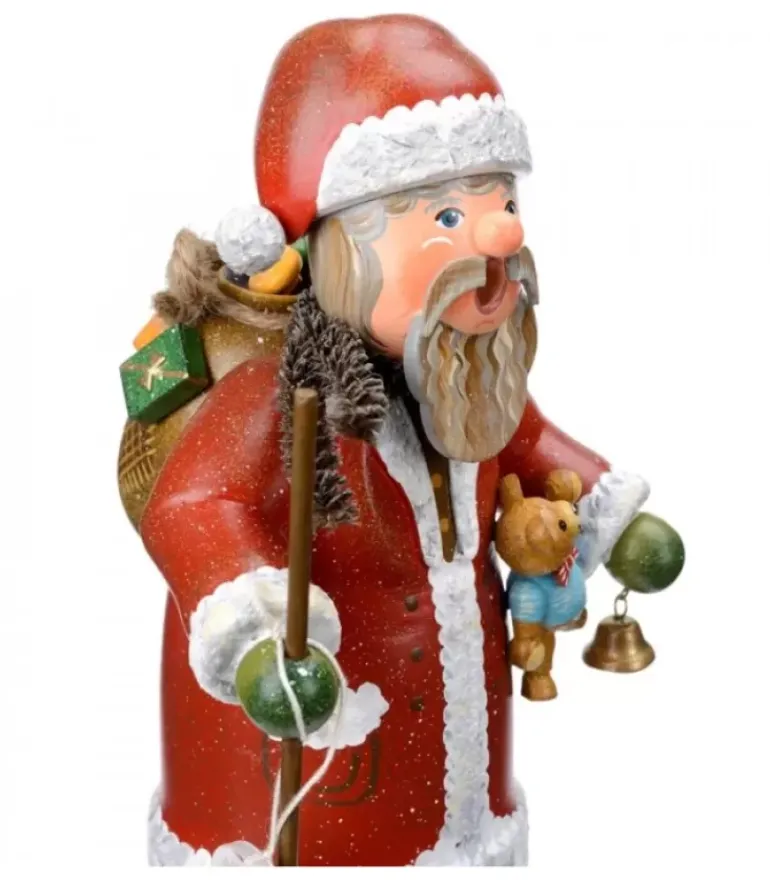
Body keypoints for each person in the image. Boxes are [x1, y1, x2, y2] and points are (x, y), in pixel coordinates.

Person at [127, 14, 682, 867]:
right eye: (448, 214)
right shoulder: (277, 388)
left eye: (503, 203)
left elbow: (528, 440)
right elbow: (197, 504)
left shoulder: (465, 371)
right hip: (315, 758)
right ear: (340, 248)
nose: (501, 238)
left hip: (464, 737)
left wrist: (611, 517)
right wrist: (255, 632)